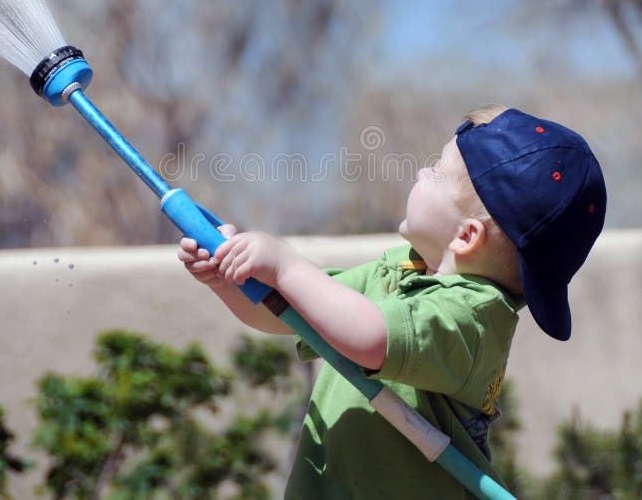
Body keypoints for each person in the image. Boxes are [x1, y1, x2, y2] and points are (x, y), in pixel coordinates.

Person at [178, 105, 606, 498]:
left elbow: (371, 338)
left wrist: (285, 267)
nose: (422, 170)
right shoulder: (401, 269)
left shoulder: (474, 319)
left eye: (438, 167)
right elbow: (289, 314)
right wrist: (230, 280)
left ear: (466, 236)